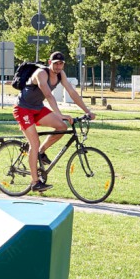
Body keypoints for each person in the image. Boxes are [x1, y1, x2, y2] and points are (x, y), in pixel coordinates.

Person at [13, 50, 94, 193]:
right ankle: (35, 182)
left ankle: (41, 152)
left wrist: (87, 111)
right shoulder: (41, 73)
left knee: (62, 127)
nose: (58, 67)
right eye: (55, 63)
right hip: (23, 109)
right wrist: (60, 114)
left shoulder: (60, 75)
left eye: (61, 64)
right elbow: (49, 95)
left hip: (37, 108)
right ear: (50, 63)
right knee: (34, 142)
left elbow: (72, 93)